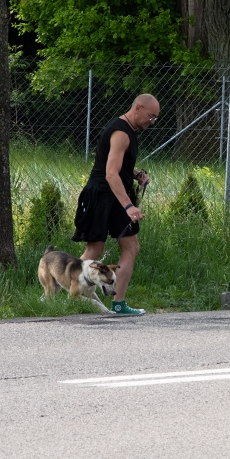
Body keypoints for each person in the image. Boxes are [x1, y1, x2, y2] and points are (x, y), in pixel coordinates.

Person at [72, 94, 158, 315]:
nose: (152, 121)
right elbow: (111, 174)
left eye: (155, 118)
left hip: (117, 192)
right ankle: (69, 294)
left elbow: (119, 167)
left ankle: (119, 304)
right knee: (94, 249)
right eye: (150, 116)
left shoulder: (130, 130)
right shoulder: (121, 132)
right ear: (137, 108)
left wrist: (136, 174)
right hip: (102, 194)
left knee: (131, 247)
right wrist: (130, 207)